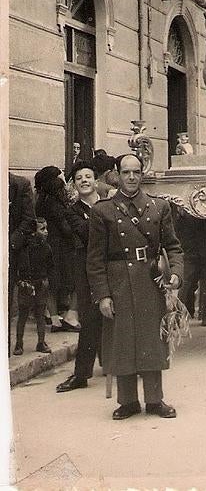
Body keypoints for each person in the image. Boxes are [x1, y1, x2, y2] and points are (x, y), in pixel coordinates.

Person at [87, 154, 183, 420]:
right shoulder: (103, 210)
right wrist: (103, 295)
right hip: (117, 281)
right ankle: (127, 402)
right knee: (123, 340)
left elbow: (173, 246)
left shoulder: (158, 207)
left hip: (150, 280)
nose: (131, 177)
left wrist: (175, 273)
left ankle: (154, 400)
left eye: (136, 172)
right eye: (126, 172)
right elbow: (95, 259)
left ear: (142, 174)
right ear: (117, 174)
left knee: (152, 339)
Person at [56, 161, 103, 393]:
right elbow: (86, 234)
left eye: (88, 176)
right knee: (90, 318)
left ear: (96, 181)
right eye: (79, 178)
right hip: (85, 270)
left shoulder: (109, 204)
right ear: (74, 184)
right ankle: (81, 374)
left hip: (111, 266)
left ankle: (114, 363)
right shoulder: (73, 211)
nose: (84, 180)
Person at [34, 166, 80, 332]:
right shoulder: (55, 204)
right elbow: (66, 228)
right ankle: (69, 318)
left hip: (49, 245)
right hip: (60, 248)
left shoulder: (42, 200)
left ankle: (54, 319)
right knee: (73, 279)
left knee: (52, 282)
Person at [12, 217, 53, 356]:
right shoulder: (23, 250)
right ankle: (19, 343)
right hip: (26, 285)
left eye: (46, 228)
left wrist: (47, 281)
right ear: (33, 232)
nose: (46, 232)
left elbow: (50, 267)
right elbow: (17, 267)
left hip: (41, 284)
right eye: (42, 229)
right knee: (23, 314)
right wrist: (20, 281)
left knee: (40, 314)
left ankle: (41, 342)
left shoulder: (46, 248)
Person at [175, 208, 206, 327]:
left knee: (204, 283)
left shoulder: (200, 207)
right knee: (186, 283)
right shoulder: (181, 207)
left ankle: (203, 315)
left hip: (204, 249)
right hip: (192, 249)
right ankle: (181, 316)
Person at [8, 172, 36, 356]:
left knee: (6, 299)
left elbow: (29, 221)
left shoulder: (20, 185)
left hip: (9, 253)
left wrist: (10, 243)